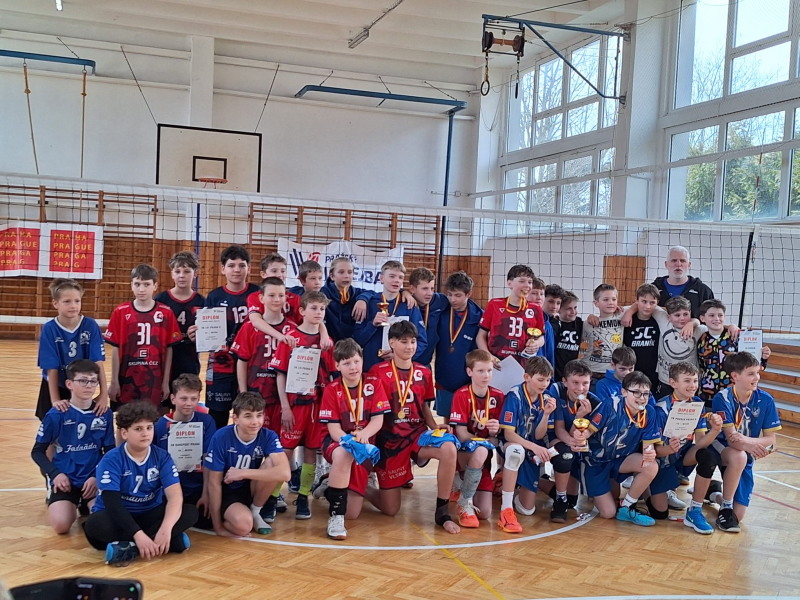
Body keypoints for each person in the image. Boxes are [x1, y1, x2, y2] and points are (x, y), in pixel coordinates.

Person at [367, 321, 460, 533]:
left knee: (448, 448)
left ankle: (442, 513)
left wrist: (435, 427)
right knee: (390, 509)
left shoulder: (424, 372)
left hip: (417, 434)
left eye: (413, 341)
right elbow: (371, 410)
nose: (409, 346)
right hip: (389, 441)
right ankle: (362, 487)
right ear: (391, 343)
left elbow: (424, 406)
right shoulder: (377, 372)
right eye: (403, 342)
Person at [83, 402, 198, 566]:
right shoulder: (111, 459)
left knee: (190, 512)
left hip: (149, 513)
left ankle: (128, 548)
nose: (145, 433)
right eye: (138, 429)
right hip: (119, 517)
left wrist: (165, 529)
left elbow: (175, 496)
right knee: (94, 524)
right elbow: (112, 503)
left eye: (149, 428)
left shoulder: (162, 457)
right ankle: (161, 542)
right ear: (124, 433)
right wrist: (137, 534)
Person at [270, 291, 336, 520]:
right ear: (302, 311)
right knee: (285, 451)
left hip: (317, 407)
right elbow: (280, 375)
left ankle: (302, 497)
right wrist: (285, 407)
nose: (319, 313)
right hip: (295, 406)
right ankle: (273, 496)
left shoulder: (327, 343)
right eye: (314, 308)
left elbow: (332, 377)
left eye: (322, 309)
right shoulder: (290, 338)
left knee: (310, 452)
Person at [318, 339, 391, 540]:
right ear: (337, 366)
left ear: (362, 361)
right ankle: (336, 517)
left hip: (364, 442)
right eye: (347, 363)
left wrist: (364, 434)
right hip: (337, 441)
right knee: (344, 454)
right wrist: (348, 441)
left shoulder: (374, 383)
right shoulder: (332, 389)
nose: (353, 367)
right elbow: (333, 428)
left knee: (353, 513)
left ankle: (329, 484)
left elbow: (378, 420)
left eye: (356, 361)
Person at [31, 359, 114, 534]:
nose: (89, 385)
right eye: (83, 381)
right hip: (66, 480)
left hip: (92, 481)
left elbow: (110, 452)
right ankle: (66, 500)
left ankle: (86, 505)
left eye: (93, 381)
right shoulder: (57, 414)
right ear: (69, 384)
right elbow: (37, 452)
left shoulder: (103, 414)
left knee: (103, 521)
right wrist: (55, 474)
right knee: (61, 526)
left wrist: (97, 477)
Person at [703, 352, 782, 532]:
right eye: (751, 374)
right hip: (721, 447)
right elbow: (732, 439)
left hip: (746, 450)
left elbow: (771, 439)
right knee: (739, 456)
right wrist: (755, 445)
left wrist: (749, 442)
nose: (757, 377)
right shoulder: (723, 398)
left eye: (757, 372)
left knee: (738, 516)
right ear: (735, 376)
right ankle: (726, 506)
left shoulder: (765, 400)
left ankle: (714, 494)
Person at [204, 392, 290, 537]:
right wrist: (218, 527)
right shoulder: (221, 437)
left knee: (272, 464)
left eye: (259, 415)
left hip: (251, 487)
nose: (255, 422)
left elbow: (285, 474)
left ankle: (256, 511)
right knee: (243, 527)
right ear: (235, 418)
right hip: (228, 492)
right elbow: (214, 483)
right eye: (248, 416)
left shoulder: (268, 435)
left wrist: (242, 473)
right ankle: (235, 517)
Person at [581, 371, 661, 527]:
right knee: (608, 513)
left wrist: (649, 452)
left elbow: (648, 444)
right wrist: (580, 435)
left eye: (646, 393)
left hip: (621, 460)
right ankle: (597, 491)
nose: (642, 398)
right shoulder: (609, 405)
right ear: (624, 392)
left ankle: (627, 507)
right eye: (636, 392)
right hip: (596, 462)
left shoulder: (649, 412)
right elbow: (589, 430)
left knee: (651, 466)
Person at [648, 363, 721, 529]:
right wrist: (669, 449)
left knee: (707, 456)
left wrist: (715, 430)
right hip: (662, 460)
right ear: (673, 383)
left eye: (695, 380)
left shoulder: (697, 403)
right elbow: (654, 450)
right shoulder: (661, 408)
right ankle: (648, 489)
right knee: (660, 513)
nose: (693, 385)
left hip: (682, 456)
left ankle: (695, 509)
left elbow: (700, 442)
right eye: (687, 381)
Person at [104, 264, 182, 409]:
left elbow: (169, 349)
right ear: (131, 285)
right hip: (127, 379)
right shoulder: (120, 312)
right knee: (126, 417)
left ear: (155, 286)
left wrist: (166, 382)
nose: (141, 289)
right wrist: (114, 381)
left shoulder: (166, 313)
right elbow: (115, 349)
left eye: (146, 284)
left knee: (154, 417)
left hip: (154, 380)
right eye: (137, 284)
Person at [497, 356, 557, 532]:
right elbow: (508, 434)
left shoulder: (546, 398)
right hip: (511, 444)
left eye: (548, 380)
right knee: (516, 451)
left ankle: (512, 485)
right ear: (527, 377)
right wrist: (535, 447)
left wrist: (546, 414)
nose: (545, 384)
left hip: (531, 448)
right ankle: (506, 509)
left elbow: (539, 435)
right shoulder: (515, 395)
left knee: (527, 509)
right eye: (540, 379)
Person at [203, 245, 260, 429]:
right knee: (218, 414)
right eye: (231, 265)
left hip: (252, 364)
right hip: (221, 364)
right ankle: (216, 446)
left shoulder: (257, 293)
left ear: (249, 269)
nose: (237, 270)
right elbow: (206, 333)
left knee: (250, 411)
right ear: (223, 269)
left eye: (242, 265)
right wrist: (199, 334)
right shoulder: (214, 296)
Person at [230, 277, 295, 434]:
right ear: (261, 298)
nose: (276, 299)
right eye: (271, 295)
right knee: (252, 436)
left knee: (278, 440)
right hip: (255, 392)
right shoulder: (248, 328)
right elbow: (242, 361)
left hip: (281, 398)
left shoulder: (292, 329)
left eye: (281, 295)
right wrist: (243, 393)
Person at [36, 278, 107, 421]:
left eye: (77, 301)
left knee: (79, 423)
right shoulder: (49, 329)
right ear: (55, 303)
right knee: (51, 424)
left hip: (82, 385)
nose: (73, 305)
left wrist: (103, 394)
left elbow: (97, 362)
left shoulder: (90, 325)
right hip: (56, 385)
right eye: (67, 301)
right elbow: (51, 368)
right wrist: (55, 400)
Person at [449, 349, 505, 528]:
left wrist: (497, 430)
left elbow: (500, 435)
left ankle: (465, 486)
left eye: (489, 371)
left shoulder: (498, 396)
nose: (486, 375)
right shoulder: (461, 394)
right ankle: (464, 501)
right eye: (480, 371)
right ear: (469, 372)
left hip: (484, 458)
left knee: (485, 513)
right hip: (463, 453)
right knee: (480, 450)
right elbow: (462, 434)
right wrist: (487, 441)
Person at [154, 374, 217, 529]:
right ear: (173, 398)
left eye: (193, 399)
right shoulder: (160, 425)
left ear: (198, 399)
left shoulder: (206, 421)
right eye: (183, 398)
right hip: (170, 488)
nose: (189, 403)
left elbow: (209, 459)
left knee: (206, 521)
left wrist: (206, 493)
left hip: (196, 487)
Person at [545, 359, 600, 517]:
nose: (580, 388)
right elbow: (559, 429)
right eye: (575, 382)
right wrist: (578, 418)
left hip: (576, 445)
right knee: (565, 455)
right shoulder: (557, 392)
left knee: (572, 502)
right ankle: (559, 499)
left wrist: (577, 440)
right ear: (565, 381)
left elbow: (588, 435)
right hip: (553, 438)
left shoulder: (595, 403)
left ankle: (535, 482)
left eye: (585, 383)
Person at [353, 260, 427, 371]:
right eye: (392, 276)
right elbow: (357, 340)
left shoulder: (409, 305)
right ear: (381, 278)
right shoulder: (368, 303)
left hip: (399, 368)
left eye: (400, 277)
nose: (396, 280)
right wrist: (372, 325)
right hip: (371, 367)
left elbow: (422, 341)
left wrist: (401, 356)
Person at [697, 299, 770, 403]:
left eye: (720, 315)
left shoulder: (736, 336)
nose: (717, 319)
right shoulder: (701, 340)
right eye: (712, 315)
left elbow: (753, 364)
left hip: (735, 393)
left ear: (725, 317)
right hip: (709, 394)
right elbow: (701, 366)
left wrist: (763, 358)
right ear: (702, 318)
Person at [434, 271, 483, 419]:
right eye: (449, 294)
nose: (452, 299)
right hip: (444, 375)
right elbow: (419, 294)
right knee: (447, 418)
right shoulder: (441, 309)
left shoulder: (479, 317)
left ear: (468, 294)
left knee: (465, 418)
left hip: (467, 378)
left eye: (458, 295)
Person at [477, 264, 545, 368]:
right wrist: (489, 356)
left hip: (523, 365)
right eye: (522, 281)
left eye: (530, 282)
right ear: (509, 283)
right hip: (496, 362)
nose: (527, 285)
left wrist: (536, 344)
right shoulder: (495, 304)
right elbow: (480, 336)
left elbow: (541, 337)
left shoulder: (535, 309)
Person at [154, 251, 205, 380]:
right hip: (164, 360)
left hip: (189, 360)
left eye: (187, 271)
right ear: (172, 274)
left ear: (195, 273)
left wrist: (200, 336)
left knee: (187, 391)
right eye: (177, 271)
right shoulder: (161, 300)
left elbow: (208, 337)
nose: (182, 275)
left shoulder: (202, 302)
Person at [654, 296, 704, 398]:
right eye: (677, 315)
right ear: (668, 316)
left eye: (685, 314)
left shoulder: (699, 330)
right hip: (666, 381)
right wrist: (629, 312)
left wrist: (731, 327)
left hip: (688, 384)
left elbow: (717, 328)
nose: (682, 318)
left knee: (687, 407)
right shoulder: (663, 320)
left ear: (690, 313)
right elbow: (645, 305)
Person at [578, 283, 624, 389]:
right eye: (606, 300)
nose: (610, 303)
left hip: (613, 373)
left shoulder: (621, 315)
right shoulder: (588, 323)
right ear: (596, 303)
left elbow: (638, 305)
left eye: (614, 299)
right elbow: (583, 347)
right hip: (592, 372)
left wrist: (629, 312)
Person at [652, 246, 715, 318]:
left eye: (682, 261)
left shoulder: (703, 291)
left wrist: (695, 322)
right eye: (674, 260)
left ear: (689, 265)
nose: (678, 264)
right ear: (666, 264)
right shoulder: (653, 289)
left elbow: (712, 318)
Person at [405, 267, 449, 367]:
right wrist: (403, 292)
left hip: (425, 364)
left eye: (432, 288)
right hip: (405, 362)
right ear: (412, 289)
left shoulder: (440, 301)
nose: (429, 293)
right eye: (425, 288)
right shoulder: (405, 303)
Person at [320, 257, 369, 341]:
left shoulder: (356, 293)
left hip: (350, 343)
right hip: (328, 342)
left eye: (350, 272)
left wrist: (363, 300)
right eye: (341, 272)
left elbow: (372, 293)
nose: (346, 276)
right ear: (332, 276)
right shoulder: (322, 294)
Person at [553, 291, 583, 382]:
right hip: (556, 371)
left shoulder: (579, 323)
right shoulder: (554, 324)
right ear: (559, 309)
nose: (573, 312)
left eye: (575, 307)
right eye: (569, 309)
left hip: (574, 371)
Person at [525, 277, 555, 367]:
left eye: (542, 294)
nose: (539, 297)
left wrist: (550, 374)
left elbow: (550, 353)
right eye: (534, 293)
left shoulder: (547, 324)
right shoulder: (516, 318)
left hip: (538, 370)